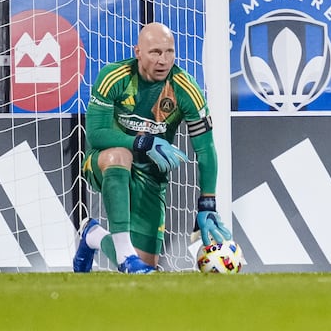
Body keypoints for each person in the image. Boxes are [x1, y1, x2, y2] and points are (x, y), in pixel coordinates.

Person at [73, 22, 232, 274]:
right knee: (119, 154)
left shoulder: (185, 89)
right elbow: (96, 134)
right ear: (138, 51)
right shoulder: (114, 77)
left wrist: (208, 203)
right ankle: (125, 257)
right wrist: (142, 141)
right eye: (155, 52)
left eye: (169, 52)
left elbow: (205, 149)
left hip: (151, 175)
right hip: (104, 161)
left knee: (147, 269)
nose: (163, 60)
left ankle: (92, 235)